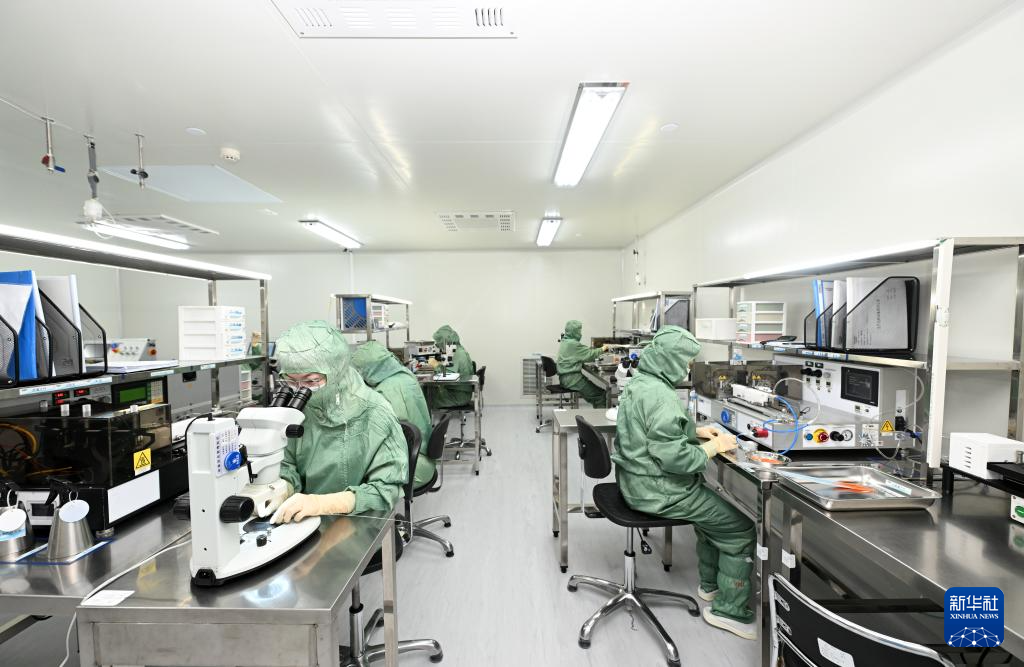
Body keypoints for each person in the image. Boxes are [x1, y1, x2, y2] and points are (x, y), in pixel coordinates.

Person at [611, 326, 756, 640]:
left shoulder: (641, 382)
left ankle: (711, 586)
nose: (689, 367)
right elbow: (675, 459)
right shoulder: (662, 397)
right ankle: (730, 611)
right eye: (686, 361)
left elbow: (651, 432)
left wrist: (696, 432)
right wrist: (714, 447)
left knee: (711, 516)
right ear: (671, 359)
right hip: (660, 491)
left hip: (635, 482)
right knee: (740, 529)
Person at [270, 320, 408, 523]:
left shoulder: (375, 412)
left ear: (336, 372)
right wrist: (281, 490)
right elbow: (287, 465)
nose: (301, 390)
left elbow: (386, 491)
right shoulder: (298, 412)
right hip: (301, 520)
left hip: (360, 522)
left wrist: (322, 504)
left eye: (311, 381)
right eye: (291, 381)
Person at [352, 340, 436, 489]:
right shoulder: (405, 375)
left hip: (412, 465)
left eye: (360, 371)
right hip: (424, 456)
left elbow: (379, 437)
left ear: (370, 369)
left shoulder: (385, 390)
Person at [556, 320, 608, 408]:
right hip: (573, 380)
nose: (580, 333)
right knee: (600, 395)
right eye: (579, 331)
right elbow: (590, 354)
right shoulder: (572, 344)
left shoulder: (565, 341)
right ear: (574, 331)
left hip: (566, 379)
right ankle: (601, 416)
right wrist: (603, 348)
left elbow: (580, 354)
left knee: (596, 393)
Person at [430, 325, 474, 409]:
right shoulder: (458, 349)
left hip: (458, 395)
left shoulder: (456, 353)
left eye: (438, 342)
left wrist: (436, 365)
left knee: (427, 397)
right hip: (460, 392)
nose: (437, 345)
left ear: (444, 341)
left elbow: (447, 376)